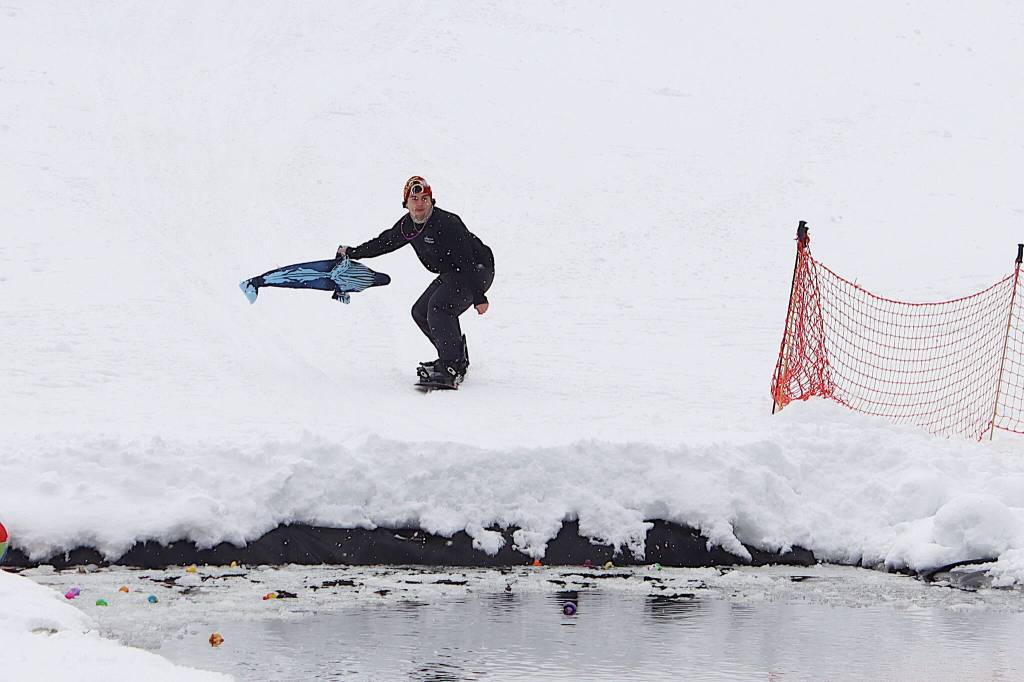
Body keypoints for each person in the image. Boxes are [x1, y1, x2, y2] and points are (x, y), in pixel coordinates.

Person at [338, 176, 494, 388]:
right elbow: (383, 243)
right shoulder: (407, 226)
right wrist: (353, 253)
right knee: (420, 312)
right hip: (454, 273)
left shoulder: (448, 223)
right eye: (414, 199)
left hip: (476, 271)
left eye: (424, 198)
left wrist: (479, 297)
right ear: (406, 203)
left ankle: (451, 366)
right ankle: (455, 357)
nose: (420, 203)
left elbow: (466, 260)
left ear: (432, 201)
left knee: (439, 308)